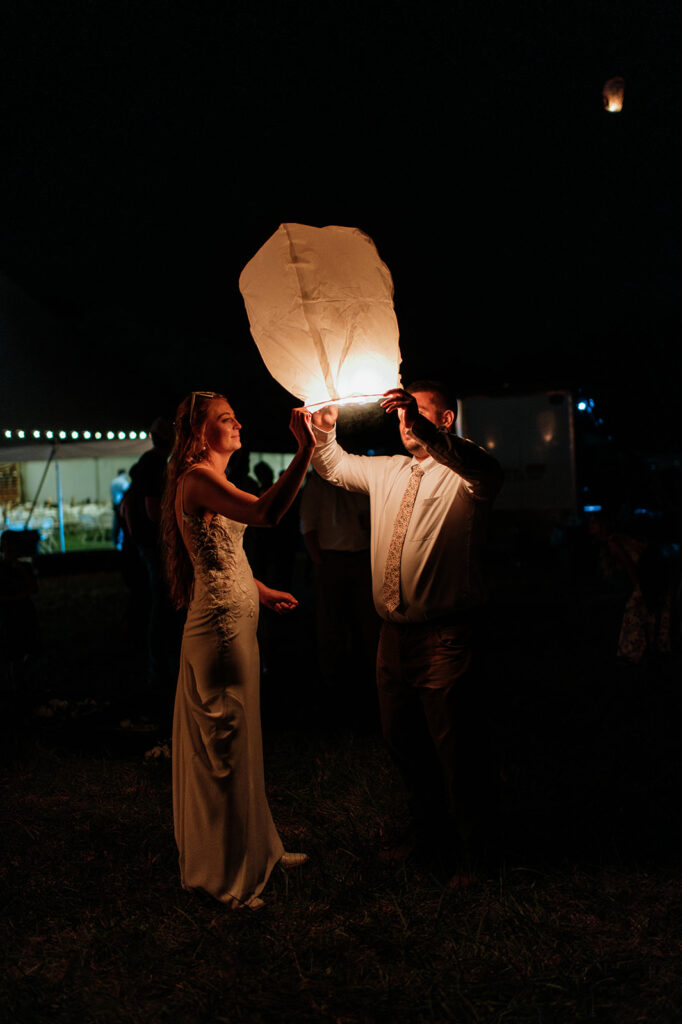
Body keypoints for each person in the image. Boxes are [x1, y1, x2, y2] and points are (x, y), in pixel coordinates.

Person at [311, 381, 503, 875]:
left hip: (445, 637)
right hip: (391, 638)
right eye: (400, 414)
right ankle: (429, 840)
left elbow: (487, 471)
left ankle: (476, 854)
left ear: (444, 420)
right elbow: (332, 465)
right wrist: (324, 432)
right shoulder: (389, 471)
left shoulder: (465, 472)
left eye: (415, 413)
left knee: (456, 749)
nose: (404, 422)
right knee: (404, 743)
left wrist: (431, 437)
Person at [160, 390, 316, 910]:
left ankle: (260, 851)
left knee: (243, 739)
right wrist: (306, 450)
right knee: (224, 748)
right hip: (220, 631)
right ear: (201, 433)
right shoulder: (198, 479)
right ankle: (226, 876)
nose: (239, 423)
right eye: (226, 419)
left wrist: (262, 590)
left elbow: (223, 555)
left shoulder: (214, 480)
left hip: (238, 620)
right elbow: (266, 514)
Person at [299, 469, 380, 726]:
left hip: (357, 557)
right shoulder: (318, 483)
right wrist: (320, 562)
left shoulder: (354, 480)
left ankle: (365, 678)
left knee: (365, 620)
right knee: (331, 622)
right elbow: (307, 525)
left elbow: (367, 517)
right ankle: (333, 681)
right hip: (332, 557)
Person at [110, 468, 130, 548]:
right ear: (123, 474)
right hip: (121, 504)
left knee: (116, 523)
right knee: (123, 523)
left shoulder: (113, 482)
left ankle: (116, 540)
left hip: (115, 503)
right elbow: (127, 491)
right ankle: (121, 541)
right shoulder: (122, 482)